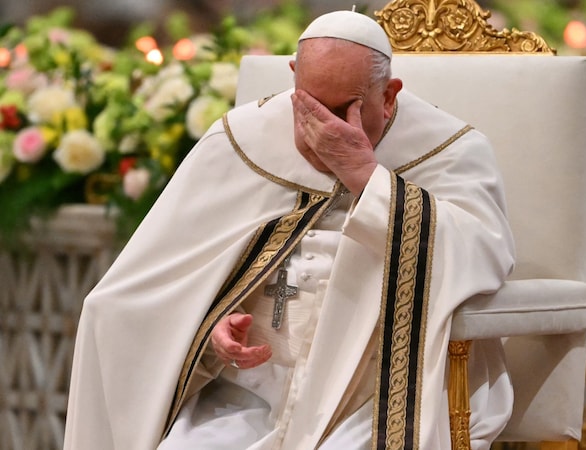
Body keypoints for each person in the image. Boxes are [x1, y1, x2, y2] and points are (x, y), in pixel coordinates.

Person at [64, 10, 515, 450]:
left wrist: (365, 176)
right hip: (246, 395)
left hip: (369, 398)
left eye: (345, 110)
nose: (322, 130)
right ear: (294, 75)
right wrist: (210, 330)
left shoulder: (451, 151)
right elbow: (163, 286)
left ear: (389, 96)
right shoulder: (242, 140)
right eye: (309, 105)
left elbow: (480, 257)